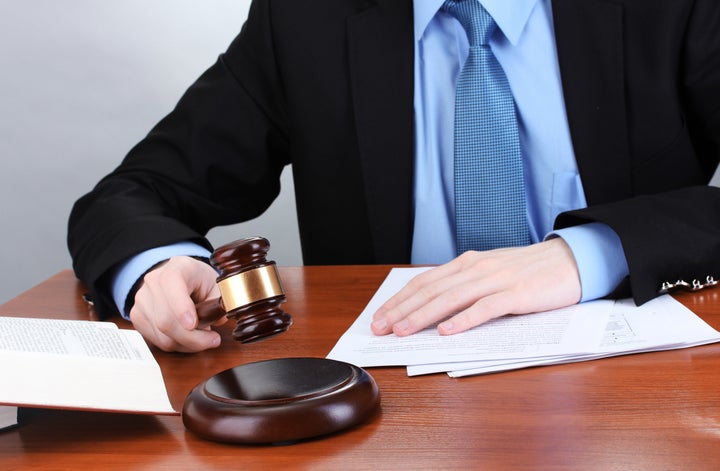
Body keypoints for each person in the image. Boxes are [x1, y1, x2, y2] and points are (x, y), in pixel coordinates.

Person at [68, 0, 720, 352]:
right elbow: (132, 194)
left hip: (639, 392)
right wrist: (152, 270)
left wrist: (589, 254)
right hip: (393, 412)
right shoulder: (304, 19)